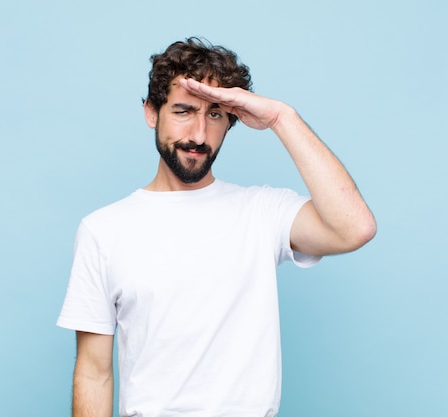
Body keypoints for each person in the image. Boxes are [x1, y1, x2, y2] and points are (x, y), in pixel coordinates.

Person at [57, 37, 376, 417]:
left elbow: (354, 228)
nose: (198, 135)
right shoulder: (102, 231)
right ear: (151, 112)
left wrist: (280, 118)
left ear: (231, 120)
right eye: (183, 111)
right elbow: (94, 374)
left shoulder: (261, 211)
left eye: (214, 115)